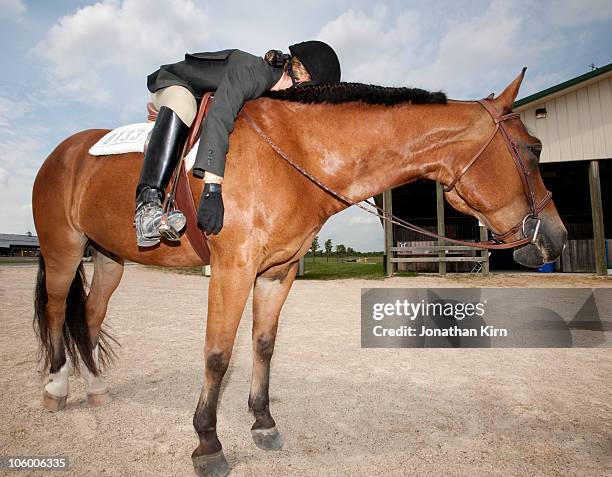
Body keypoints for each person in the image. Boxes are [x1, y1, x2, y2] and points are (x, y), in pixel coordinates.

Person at [135, 41, 341, 247]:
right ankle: (148, 206)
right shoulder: (254, 73)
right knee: (184, 104)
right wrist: (212, 189)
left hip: (203, 94)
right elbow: (220, 116)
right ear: (302, 78)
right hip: (174, 83)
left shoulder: (268, 88)